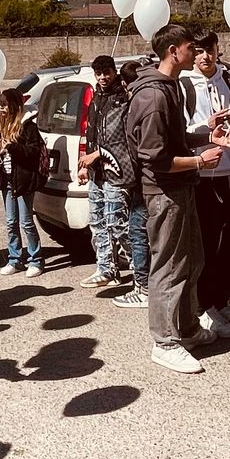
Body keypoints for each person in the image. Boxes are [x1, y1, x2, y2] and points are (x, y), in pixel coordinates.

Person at [129, 24, 230, 375]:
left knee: (191, 259)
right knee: (168, 267)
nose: (196, 52)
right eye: (190, 47)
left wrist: (205, 134)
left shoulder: (168, 88)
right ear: (174, 51)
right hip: (164, 193)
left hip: (180, 189)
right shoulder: (154, 97)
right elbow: (154, 158)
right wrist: (201, 160)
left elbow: (175, 140)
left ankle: (186, 328)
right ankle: (164, 342)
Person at [187, 30, 230, 340]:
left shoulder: (229, 80)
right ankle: (204, 308)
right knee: (207, 246)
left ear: (218, 50)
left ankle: (222, 300)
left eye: (209, 50)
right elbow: (181, 131)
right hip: (203, 174)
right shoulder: (185, 84)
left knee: (229, 244)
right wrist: (209, 126)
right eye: (199, 52)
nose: (204, 57)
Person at [76, 55, 135, 291]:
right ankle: (106, 268)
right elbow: (91, 134)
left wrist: (98, 154)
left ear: (114, 71)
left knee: (117, 223)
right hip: (96, 174)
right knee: (98, 222)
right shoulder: (96, 99)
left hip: (117, 172)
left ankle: (144, 268)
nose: (103, 78)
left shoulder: (123, 98)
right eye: (99, 74)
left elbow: (124, 137)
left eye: (107, 72)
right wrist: (84, 166)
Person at [0, 89, 48, 276]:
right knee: (10, 222)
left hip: (23, 179)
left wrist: (12, 147)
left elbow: (33, 152)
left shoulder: (27, 126)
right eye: (0, 104)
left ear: (13, 105)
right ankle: (14, 258)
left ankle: (35, 259)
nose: (2, 108)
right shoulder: (0, 123)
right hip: (6, 179)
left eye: (5, 104)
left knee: (26, 221)